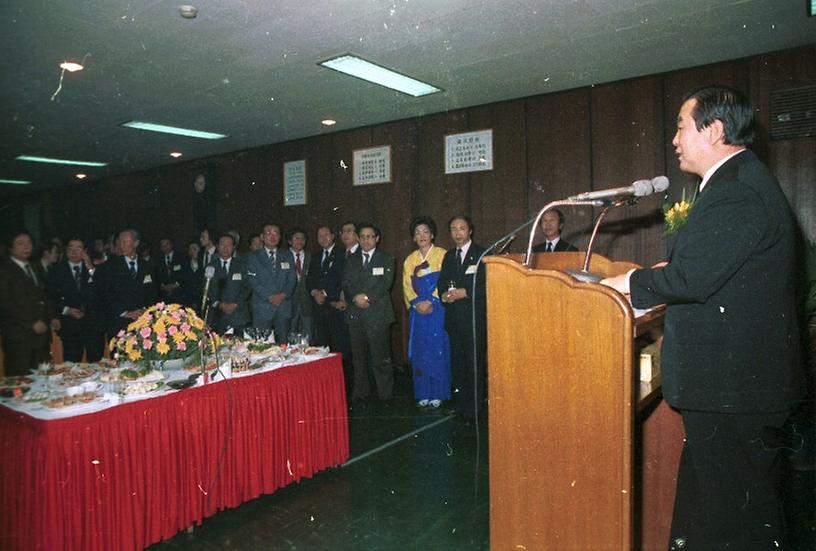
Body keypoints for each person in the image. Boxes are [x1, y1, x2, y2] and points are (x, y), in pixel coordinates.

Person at [600, 85, 803, 550]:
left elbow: (694, 280)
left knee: (735, 522)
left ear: (714, 130)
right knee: (722, 515)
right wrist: (657, 273)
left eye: (680, 126)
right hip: (734, 389)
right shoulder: (741, 181)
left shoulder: (735, 190)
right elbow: (717, 267)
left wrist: (626, 285)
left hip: (734, 390)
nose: (674, 139)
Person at [438, 215, 486, 421]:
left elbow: (488, 286)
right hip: (454, 320)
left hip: (474, 320)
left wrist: (465, 292)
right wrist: (443, 295)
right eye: (453, 229)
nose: (457, 233)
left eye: (462, 229)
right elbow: (441, 283)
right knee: (458, 365)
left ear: (470, 231)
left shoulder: (482, 254)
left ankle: (475, 408)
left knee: (474, 364)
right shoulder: (449, 256)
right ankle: (462, 405)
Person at [342, 223, 396, 406]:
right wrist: (355, 298)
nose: (366, 240)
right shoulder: (350, 259)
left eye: (370, 236)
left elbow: (385, 284)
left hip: (378, 314)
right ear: (358, 238)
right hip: (355, 313)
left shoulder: (387, 258)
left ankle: (385, 395)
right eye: (363, 237)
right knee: (358, 358)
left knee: (381, 358)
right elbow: (346, 283)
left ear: (377, 238)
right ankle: (360, 394)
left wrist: (366, 297)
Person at [403, 216, 451, 409]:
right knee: (421, 350)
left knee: (437, 349)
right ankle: (422, 392)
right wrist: (416, 303)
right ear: (413, 238)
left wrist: (431, 301)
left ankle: (438, 392)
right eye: (417, 233)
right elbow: (406, 286)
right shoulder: (410, 260)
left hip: (437, 309)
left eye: (425, 232)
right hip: (418, 312)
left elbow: (445, 281)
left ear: (432, 235)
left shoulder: (442, 255)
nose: (421, 236)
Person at [0, 230, 60, 375]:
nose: (26, 247)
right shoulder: (4, 270)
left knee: (42, 377)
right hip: (19, 336)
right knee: (19, 383)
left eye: (29, 243)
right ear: (10, 247)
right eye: (20, 243)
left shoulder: (33, 266)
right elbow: (5, 304)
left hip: (40, 335)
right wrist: (31, 323)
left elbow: (43, 296)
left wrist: (52, 316)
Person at [46, 237, 104, 362]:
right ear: (65, 251)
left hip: (93, 325)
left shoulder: (93, 269)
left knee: (96, 362)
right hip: (70, 326)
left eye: (78, 248)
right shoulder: (55, 271)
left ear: (85, 251)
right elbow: (50, 297)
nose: (74, 252)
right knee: (72, 363)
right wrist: (67, 310)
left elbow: (102, 290)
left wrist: (89, 266)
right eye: (70, 248)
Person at [96, 228, 158, 338]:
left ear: (136, 243)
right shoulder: (109, 267)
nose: (122, 245)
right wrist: (126, 313)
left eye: (126, 242)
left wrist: (144, 310)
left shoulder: (147, 266)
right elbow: (105, 294)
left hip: (142, 322)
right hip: (119, 322)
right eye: (120, 242)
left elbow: (152, 292)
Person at [246, 223, 296, 343]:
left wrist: (282, 295)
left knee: (284, 344)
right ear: (262, 237)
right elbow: (253, 281)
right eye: (268, 233)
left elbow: (292, 279)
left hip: (283, 306)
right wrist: (270, 296)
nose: (272, 236)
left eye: (276, 233)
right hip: (262, 307)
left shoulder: (287, 255)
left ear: (279, 237)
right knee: (261, 345)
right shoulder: (254, 256)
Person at [207, 233, 250, 335]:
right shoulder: (210, 267)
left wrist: (235, 304)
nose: (225, 248)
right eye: (222, 244)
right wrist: (219, 304)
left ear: (234, 247)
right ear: (217, 246)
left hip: (239, 313)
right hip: (217, 315)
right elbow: (207, 290)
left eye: (229, 245)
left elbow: (247, 287)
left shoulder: (242, 265)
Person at [287, 227, 313, 342]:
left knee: (308, 336)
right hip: (288, 303)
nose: (300, 241)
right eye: (297, 238)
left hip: (307, 303)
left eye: (303, 239)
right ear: (290, 241)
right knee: (288, 336)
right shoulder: (283, 256)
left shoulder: (311, 257)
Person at [156, 237, 191, 305]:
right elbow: (156, 275)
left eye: (167, 244)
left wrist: (175, 285)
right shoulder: (158, 259)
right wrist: (163, 286)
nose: (165, 247)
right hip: (164, 296)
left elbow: (185, 274)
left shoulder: (181, 257)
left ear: (171, 245)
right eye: (163, 245)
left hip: (179, 294)